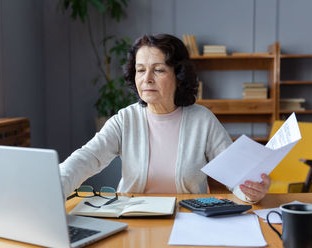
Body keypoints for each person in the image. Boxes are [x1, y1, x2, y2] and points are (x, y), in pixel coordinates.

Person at [59, 33, 270, 203]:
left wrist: (251, 192)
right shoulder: (125, 120)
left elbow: (236, 176)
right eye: (140, 70)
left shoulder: (203, 121)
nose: (147, 79)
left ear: (179, 76)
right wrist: (54, 185)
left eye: (158, 70)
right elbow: (86, 158)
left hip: (189, 220)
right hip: (133, 221)